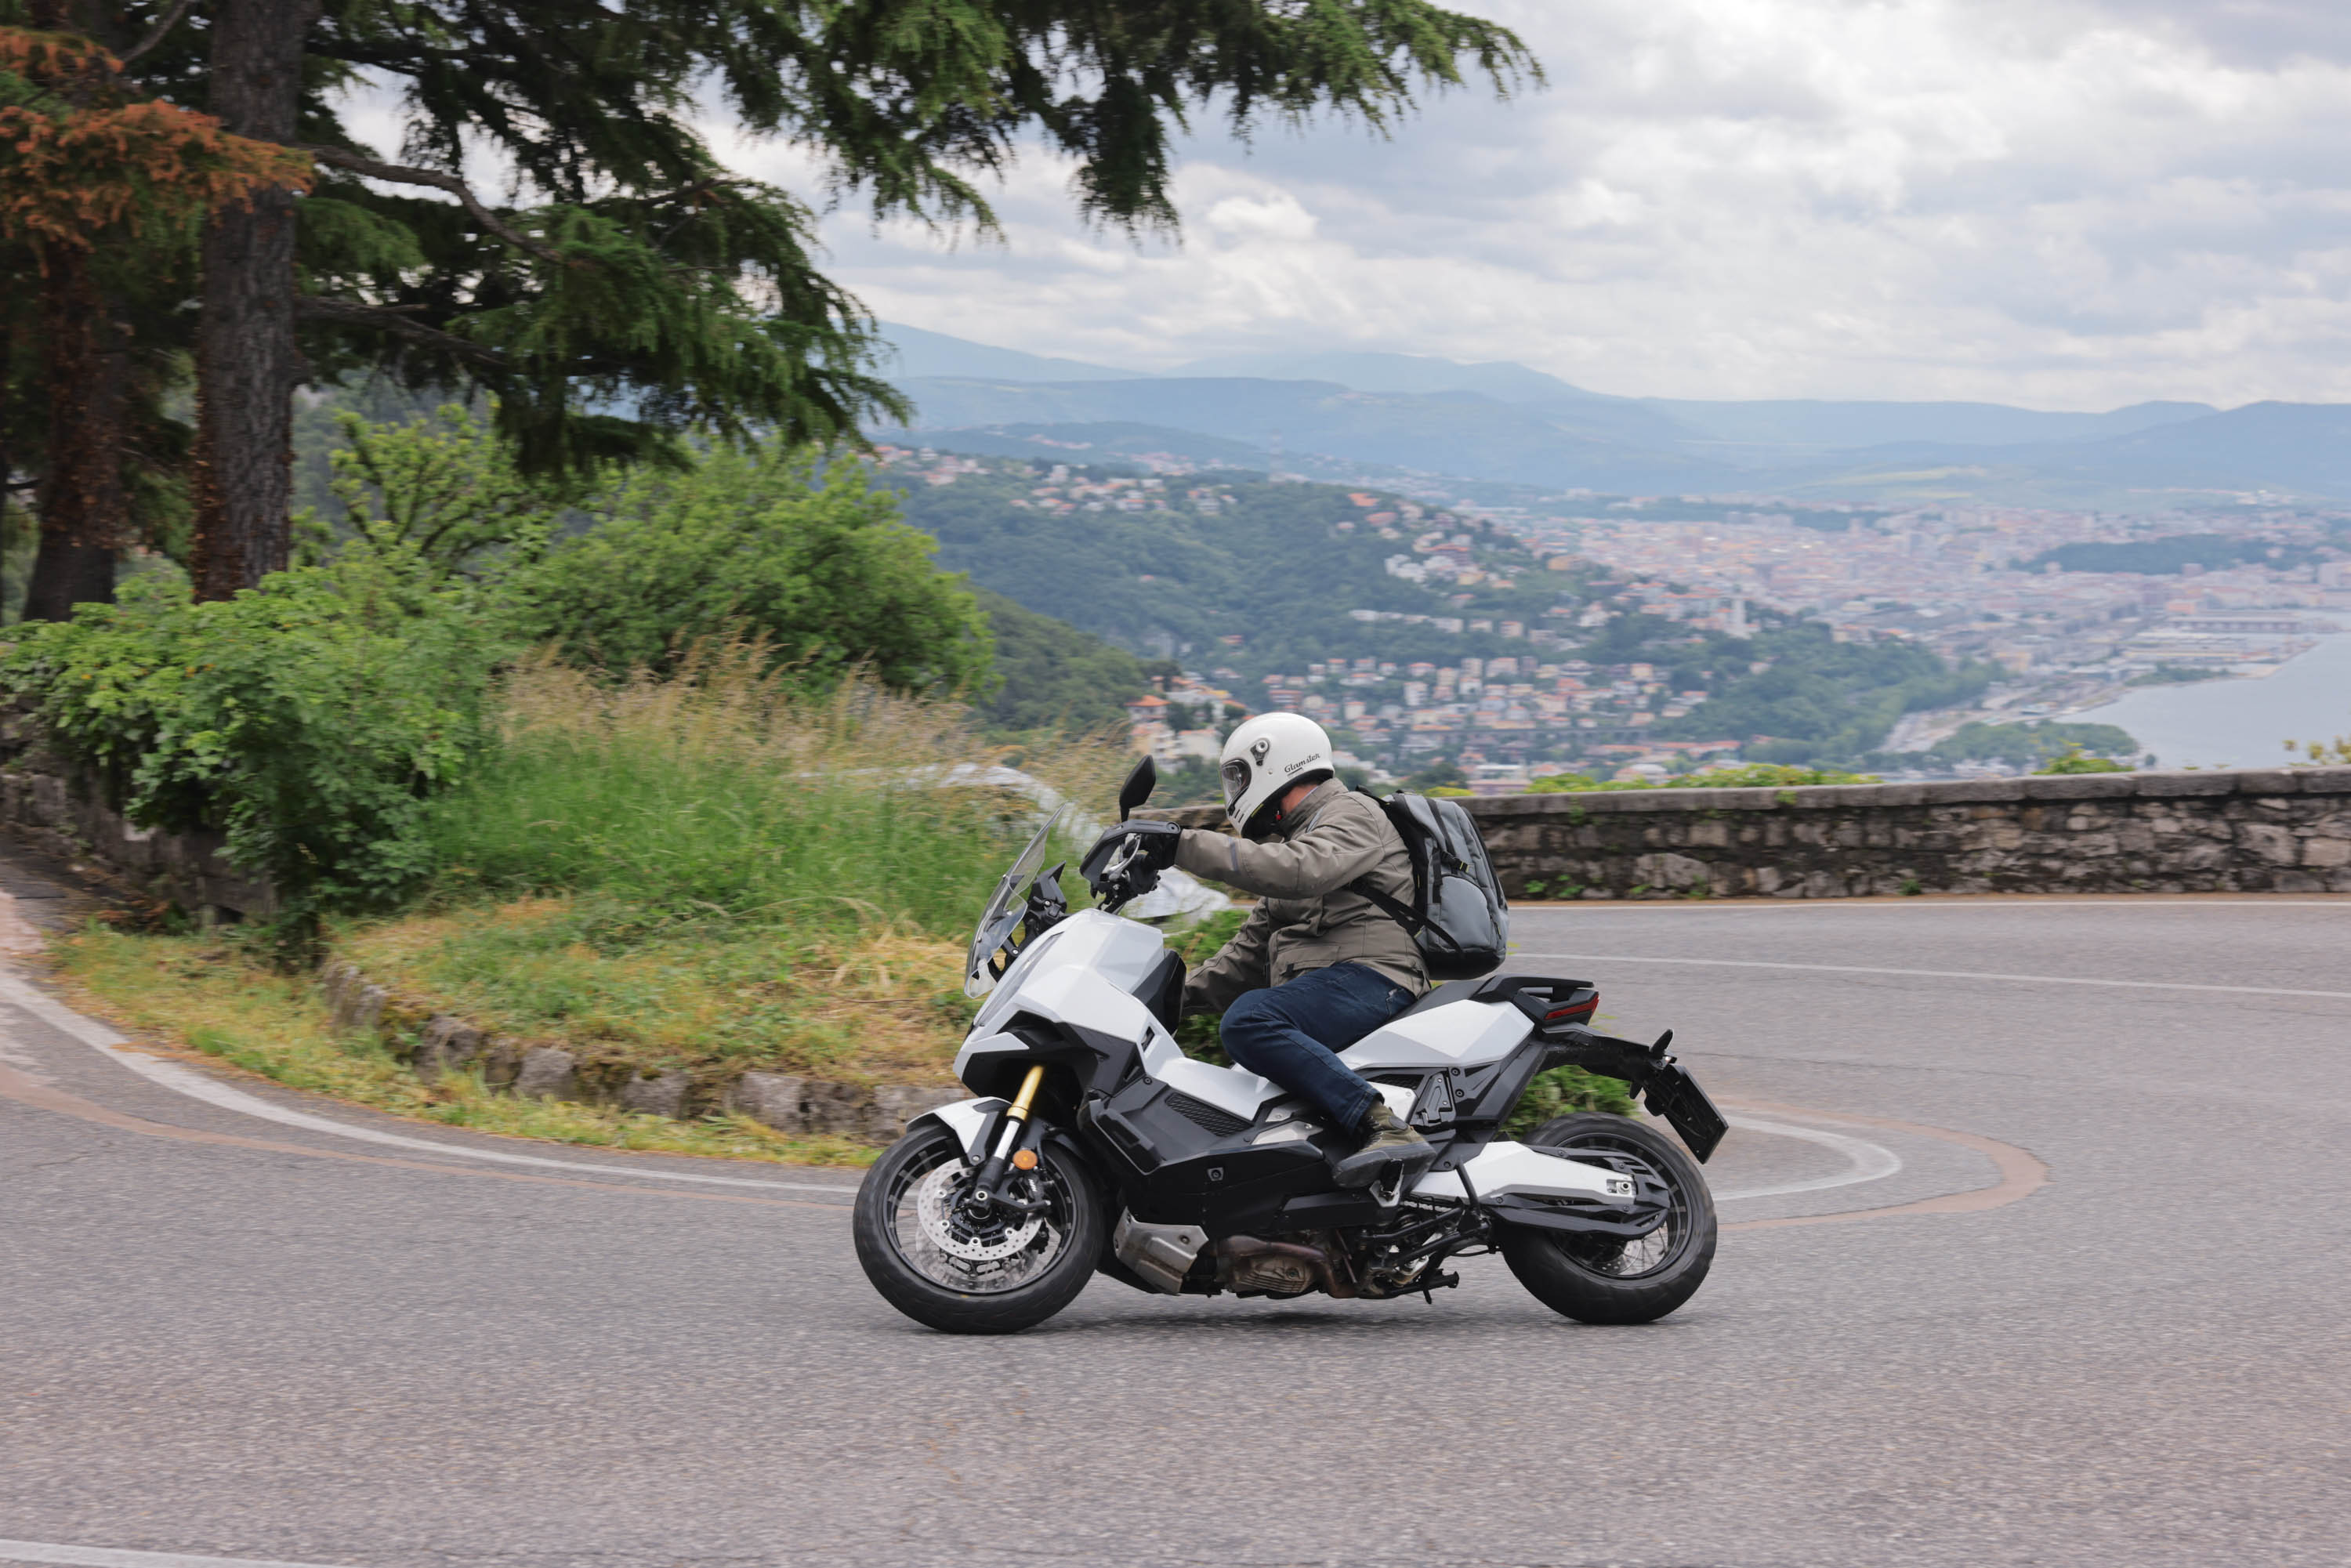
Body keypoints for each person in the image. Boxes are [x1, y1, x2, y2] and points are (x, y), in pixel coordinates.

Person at [1089, 712, 1435, 1186]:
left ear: (1276, 761)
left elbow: (1297, 869)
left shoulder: (1351, 814)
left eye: (1238, 777)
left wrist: (1181, 845)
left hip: (1375, 978)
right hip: (1329, 987)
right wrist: (1153, 1002)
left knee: (1250, 1021)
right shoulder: (1300, 841)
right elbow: (1245, 957)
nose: (1235, 791)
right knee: (1238, 1092)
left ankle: (1383, 1125)